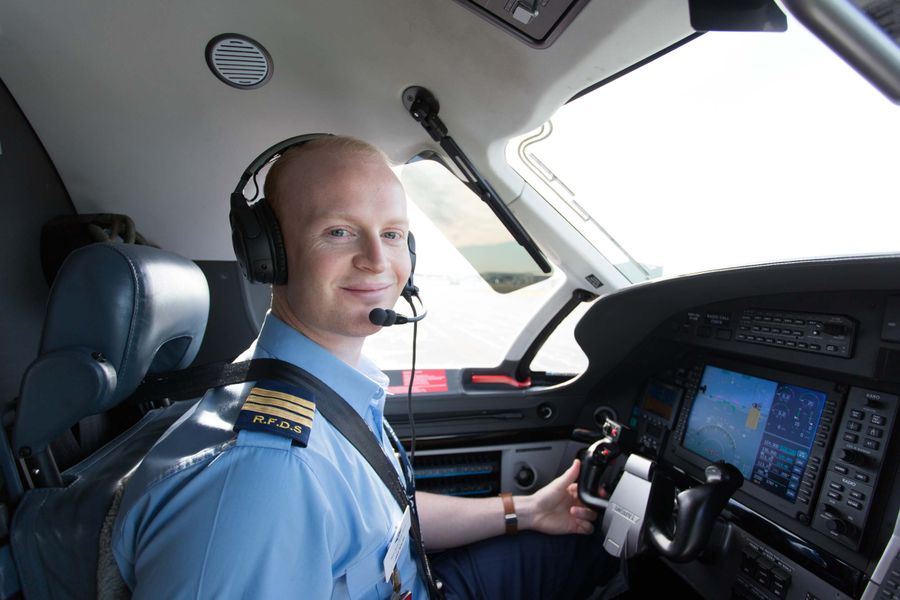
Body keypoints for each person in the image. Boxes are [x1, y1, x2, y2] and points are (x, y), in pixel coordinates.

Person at [112, 135, 619, 599]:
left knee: (577, 552)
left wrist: (526, 510)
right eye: (338, 231)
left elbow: (384, 517)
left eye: (393, 234)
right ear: (268, 254)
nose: (378, 260)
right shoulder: (264, 475)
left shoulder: (318, 389)